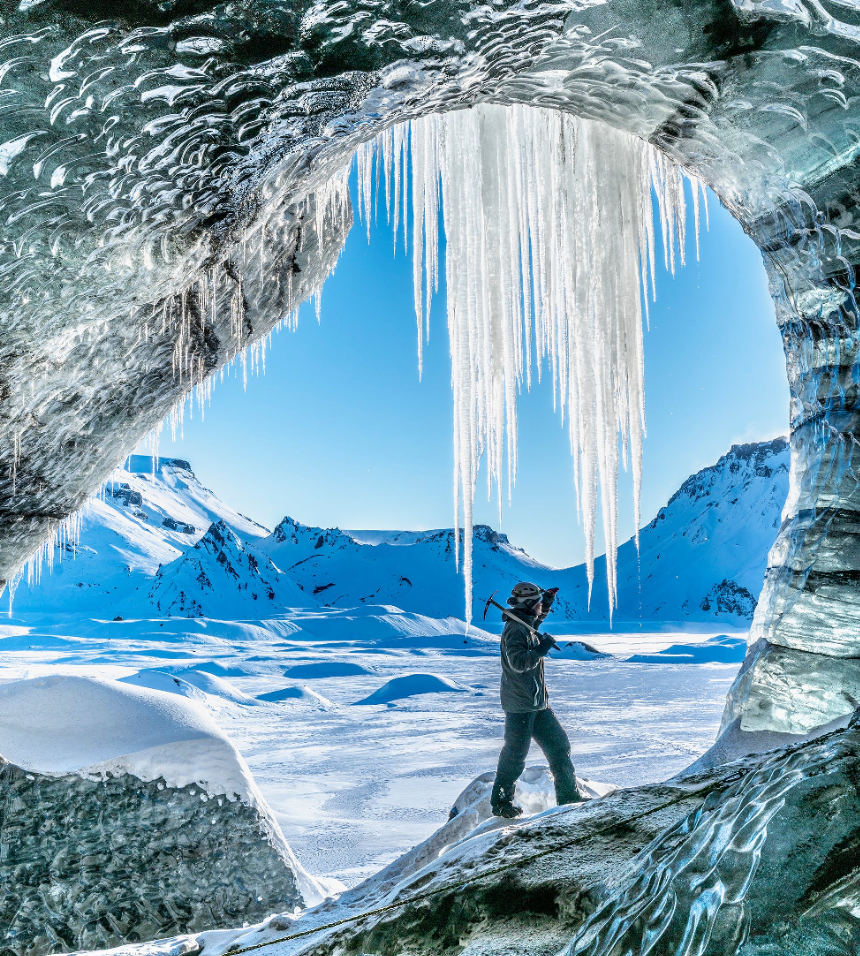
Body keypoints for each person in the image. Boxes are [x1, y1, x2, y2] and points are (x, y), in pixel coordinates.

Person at [491, 581, 583, 818]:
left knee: (559, 747)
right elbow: (519, 663)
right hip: (520, 705)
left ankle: (569, 797)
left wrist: (549, 600)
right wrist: (541, 649)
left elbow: (537, 621)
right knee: (515, 755)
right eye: (540, 603)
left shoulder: (527, 624)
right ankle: (501, 804)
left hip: (538, 704)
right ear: (530, 604)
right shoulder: (515, 630)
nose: (541, 607)